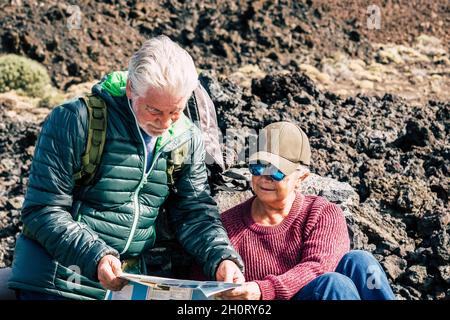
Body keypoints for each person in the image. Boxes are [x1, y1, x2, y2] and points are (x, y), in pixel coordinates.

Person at [8, 35, 244, 300]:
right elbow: (42, 209)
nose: (165, 123)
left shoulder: (187, 138)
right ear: (131, 88)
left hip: (127, 287)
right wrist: (95, 256)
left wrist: (222, 257)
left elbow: (194, 212)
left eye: (175, 112)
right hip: (57, 282)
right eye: (154, 110)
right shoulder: (75, 121)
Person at [218, 121, 395, 300]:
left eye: (276, 171)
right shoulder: (228, 226)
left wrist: (263, 290)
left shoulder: (322, 213)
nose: (264, 177)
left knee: (360, 262)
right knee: (334, 285)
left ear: (301, 177)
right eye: (258, 166)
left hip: (311, 292)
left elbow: (318, 267)